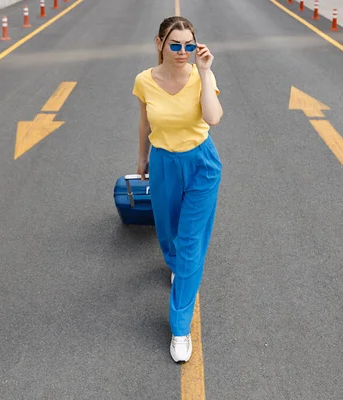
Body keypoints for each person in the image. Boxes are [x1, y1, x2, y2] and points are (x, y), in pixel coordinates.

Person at [132, 16, 224, 363]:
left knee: (189, 244)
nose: (183, 52)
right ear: (159, 44)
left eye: (189, 45)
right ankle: (173, 264)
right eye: (176, 45)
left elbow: (213, 119)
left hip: (201, 164)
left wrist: (203, 72)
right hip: (163, 163)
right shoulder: (144, 80)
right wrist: (142, 158)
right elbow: (144, 121)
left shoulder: (203, 76)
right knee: (168, 233)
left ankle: (180, 327)